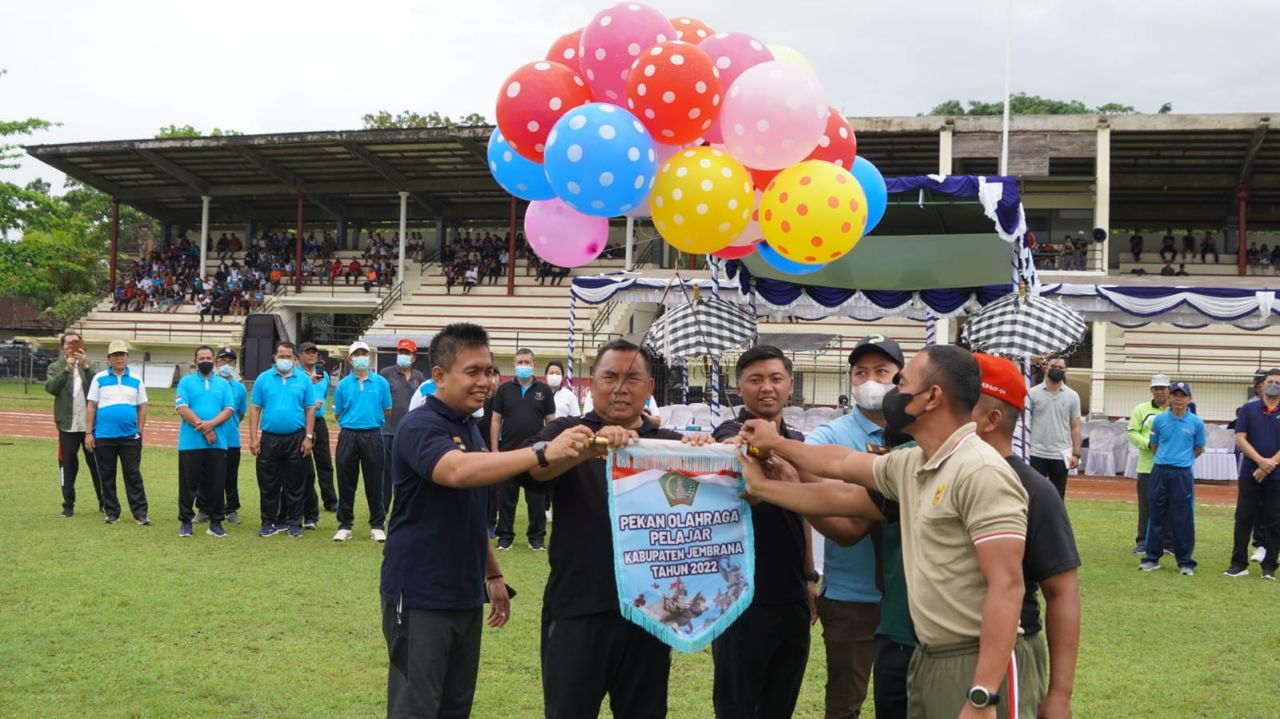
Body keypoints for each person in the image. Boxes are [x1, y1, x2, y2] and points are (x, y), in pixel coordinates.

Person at [738, 345, 1033, 718]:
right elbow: (842, 465)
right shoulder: (914, 461)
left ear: (932, 397)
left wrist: (983, 694)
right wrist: (772, 459)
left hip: (974, 660)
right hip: (929, 654)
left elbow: (1007, 587)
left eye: (901, 383)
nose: (891, 392)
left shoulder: (980, 471)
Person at [379, 323, 591, 719]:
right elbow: (457, 472)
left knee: (455, 707)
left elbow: (471, 514)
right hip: (421, 594)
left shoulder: (469, 428)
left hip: (464, 594)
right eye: (472, 371)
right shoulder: (420, 425)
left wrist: (493, 575)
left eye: (489, 371)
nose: (485, 381)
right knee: (416, 708)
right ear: (440, 375)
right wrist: (542, 452)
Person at [526, 339, 706, 719]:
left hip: (650, 614)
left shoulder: (671, 446)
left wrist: (705, 449)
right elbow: (531, 470)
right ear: (592, 384)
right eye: (610, 377)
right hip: (578, 607)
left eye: (632, 378)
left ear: (649, 387)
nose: (620, 388)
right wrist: (590, 446)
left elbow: (717, 494)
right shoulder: (569, 432)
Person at [970, 354, 1081, 717]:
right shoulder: (938, 472)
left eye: (959, 404)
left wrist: (1060, 693)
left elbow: (1062, 592)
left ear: (990, 419)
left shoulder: (1034, 491)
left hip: (1009, 655)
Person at [709, 346, 814, 719]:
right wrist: (744, 448)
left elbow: (805, 510)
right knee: (736, 706)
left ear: (790, 384)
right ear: (739, 388)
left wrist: (810, 576)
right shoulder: (729, 433)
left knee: (780, 704)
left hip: (792, 594)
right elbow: (728, 448)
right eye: (755, 380)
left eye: (775, 378)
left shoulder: (797, 442)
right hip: (740, 598)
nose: (767, 387)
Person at [804, 335, 905, 719]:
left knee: (907, 702)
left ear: (900, 378)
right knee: (844, 704)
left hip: (910, 597)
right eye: (860, 373)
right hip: (851, 598)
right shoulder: (831, 435)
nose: (870, 381)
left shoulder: (916, 434)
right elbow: (806, 465)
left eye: (881, 371)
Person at [248, 341, 316, 539]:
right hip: (269, 438)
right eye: (281, 356)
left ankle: (293, 522)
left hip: (296, 437)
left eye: (288, 356)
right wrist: (253, 438)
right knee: (268, 483)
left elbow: (310, 409)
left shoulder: (303, 380)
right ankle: (268, 522)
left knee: (295, 482)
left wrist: (308, 437)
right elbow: (255, 409)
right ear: (274, 357)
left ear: (294, 359)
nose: (284, 359)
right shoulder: (263, 379)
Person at [491, 348, 556, 551]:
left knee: (536, 499)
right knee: (507, 499)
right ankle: (505, 537)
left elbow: (551, 422)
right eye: (520, 362)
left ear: (534, 365)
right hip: (508, 452)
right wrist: (494, 450)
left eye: (527, 362)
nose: (523, 366)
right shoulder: (503, 390)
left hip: (535, 453)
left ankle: (536, 538)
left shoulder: (544, 391)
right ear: (513, 365)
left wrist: (550, 449)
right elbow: (495, 420)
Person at [1140, 381, 1205, 575]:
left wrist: (1181, 460)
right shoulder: (1159, 420)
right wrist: (1165, 458)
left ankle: (1185, 562)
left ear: (1189, 399)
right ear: (1169, 397)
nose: (1178, 399)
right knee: (1156, 515)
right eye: (1175, 395)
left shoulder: (1196, 423)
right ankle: (1152, 558)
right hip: (1160, 471)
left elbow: (1198, 449)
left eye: (1183, 395)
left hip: (1182, 474)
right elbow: (1154, 445)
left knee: (1183, 517)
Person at [332, 341, 393, 543]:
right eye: (356, 354)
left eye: (364, 354)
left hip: (373, 434)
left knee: (375, 482)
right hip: (348, 435)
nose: (361, 358)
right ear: (350, 359)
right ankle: (344, 525)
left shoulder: (381, 383)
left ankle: (377, 525)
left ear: (369, 357)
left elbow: (387, 409)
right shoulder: (343, 385)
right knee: (345, 481)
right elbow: (338, 412)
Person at [85, 339, 151, 526]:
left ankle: (140, 514)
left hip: (130, 437)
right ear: (108, 358)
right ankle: (112, 512)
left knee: (133, 475)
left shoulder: (136, 379)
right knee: (107, 475)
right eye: (115, 355)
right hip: (104, 436)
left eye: (122, 354)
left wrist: (139, 431)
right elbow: (91, 406)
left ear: (127, 357)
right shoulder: (99, 378)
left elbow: (142, 407)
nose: (119, 358)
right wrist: (89, 433)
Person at [174, 346, 235, 538]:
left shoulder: (223, 384)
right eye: (201, 358)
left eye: (208, 358)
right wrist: (206, 429)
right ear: (195, 361)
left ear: (214, 361)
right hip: (190, 443)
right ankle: (186, 522)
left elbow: (229, 409)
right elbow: (182, 408)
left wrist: (211, 425)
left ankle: (216, 523)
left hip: (218, 443)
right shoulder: (186, 382)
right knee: (188, 485)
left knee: (216, 484)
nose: (205, 361)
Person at [1225, 369, 1280, 579]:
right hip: (1250, 473)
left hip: (1276, 475)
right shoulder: (1248, 409)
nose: (1274, 385)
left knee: (1274, 520)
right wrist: (1260, 462)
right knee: (1243, 518)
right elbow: (1240, 439)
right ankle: (1238, 564)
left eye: (1278, 382)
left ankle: (1269, 566)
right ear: (1263, 385)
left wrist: (1268, 465)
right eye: (1270, 381)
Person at [45, 331, 103, 517]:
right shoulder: (55, 367)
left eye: (76, 342)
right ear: (62, 347)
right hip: (67, 426)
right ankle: (68, 504)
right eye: (69, 343)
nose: (72, 346)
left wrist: (85, 367)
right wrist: (66, 370)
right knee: (67, 466)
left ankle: (104, 502)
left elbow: (100, 388)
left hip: (90, 427)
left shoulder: (91, 365)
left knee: (97, 466)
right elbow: (51, 388)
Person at [380, 338, 427, 521]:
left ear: (414, 356)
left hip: (410, 434)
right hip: (388, 432)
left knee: (408, 476)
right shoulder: (385, 374)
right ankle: (382, 514)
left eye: (407, 353)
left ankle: (404, 513)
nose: (403, 355)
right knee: (386, 477)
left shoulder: (420, 377)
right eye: (401, 352)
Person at [1126, 374, 1172, 555]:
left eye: (1163, 388)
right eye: (1156, 388)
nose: (1159, 391)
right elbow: (1132, 432)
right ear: (1151, 390)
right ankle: (1143, 541)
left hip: (1171, 466)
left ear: (1169, 389)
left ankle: (1168, 543)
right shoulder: (1141, 409)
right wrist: (1148, 444)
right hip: (1147, 466)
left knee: (1170, 504)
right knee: (1146, 505)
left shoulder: (1177, 409)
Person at [1027, 357, 1081, 499]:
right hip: (1036, 453)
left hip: (1061, 454)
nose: (1056, 370)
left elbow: (1075, 426)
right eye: (1053, 366)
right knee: (1033, 497)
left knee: (1057, 498)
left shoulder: (1073, 396)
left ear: (1065, 370)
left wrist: (1076, 454)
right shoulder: (1032, 393)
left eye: (1060, 368)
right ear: (1046, 368)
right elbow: (1025, 422)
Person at [299, 341, 339, 527]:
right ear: (300, 355)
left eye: (314, 352)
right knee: (304, 464)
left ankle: (330, 500)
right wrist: (308, 406)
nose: (312, 355)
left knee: (325, 462)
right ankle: (305, 500)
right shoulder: (296, 375)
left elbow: (323, 396)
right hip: (302, 422)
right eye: (308, 352)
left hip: (320, 422)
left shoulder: (324, 375)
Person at [206, 347, 247, 525]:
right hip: (211, 438)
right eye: (223, 361)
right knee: (208, 475)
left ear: (235, 364)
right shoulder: (209, 383)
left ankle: (231, 509)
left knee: (231, 475)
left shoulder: (240, 388)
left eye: (230, 361)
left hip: (231, 439)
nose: (226, 365)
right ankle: (205, 508)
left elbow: (241, 413)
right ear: (216, 363)